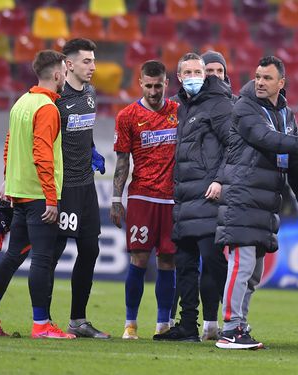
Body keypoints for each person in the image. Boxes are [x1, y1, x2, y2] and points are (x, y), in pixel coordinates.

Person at [214, 56, 298, 350]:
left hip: (266, 201)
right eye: (258, 76)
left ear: (281, 83)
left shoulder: (287, 114)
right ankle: (230, 329)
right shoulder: (244, 107)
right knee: (241, 266)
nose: (260, 82)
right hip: (242, 196)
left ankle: (240, 325)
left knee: (254, 274)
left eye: (267, 78)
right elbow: (268, 140)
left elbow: (293, 161)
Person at [0, 50, 75, 339]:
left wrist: (8, 179)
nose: (65, 78)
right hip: (39, 196)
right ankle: (41, 325)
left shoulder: (21, 103)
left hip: (20, 194)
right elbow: (43, 154)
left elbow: (9, 144)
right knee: (42, 259)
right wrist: (52, 199)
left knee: (12, 257)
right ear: (57, 74)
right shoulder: (46, 108)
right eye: (64, 73)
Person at [153, 52, 232, 342]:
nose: (194, 77)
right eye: (188, 73)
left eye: (198, 72)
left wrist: (220, 179)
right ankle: (188, 325)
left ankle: (228, 321)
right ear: (179, 77)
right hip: (185, 198)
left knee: (212, 261)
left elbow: (232, 145)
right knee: (185, 265)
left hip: (208, 196)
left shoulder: (220, 104)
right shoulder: (184, 106)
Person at [111, 60, 178, 340]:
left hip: (174, 200)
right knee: (139, 259)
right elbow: (122, 161)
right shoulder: (127, 116)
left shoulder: (178, 112)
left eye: (158, 85)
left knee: (168, 260)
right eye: (148, 85)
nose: (153, 91)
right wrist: (116, 198)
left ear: (166, 83)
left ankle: (163, 324)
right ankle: (130, 324)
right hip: (141, 196)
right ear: (140, 83)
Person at [48, 38, 109, 339]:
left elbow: (86, 131)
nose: (93, 67)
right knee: (54, 252)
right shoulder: (55, 100)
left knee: (91, 249)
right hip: (64, 188)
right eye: (87, 61)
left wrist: (93, 150)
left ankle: (78, 321)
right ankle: (41, 321)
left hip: (86, 187)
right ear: (69, 64)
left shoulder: (91, 93)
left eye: (94, 61)